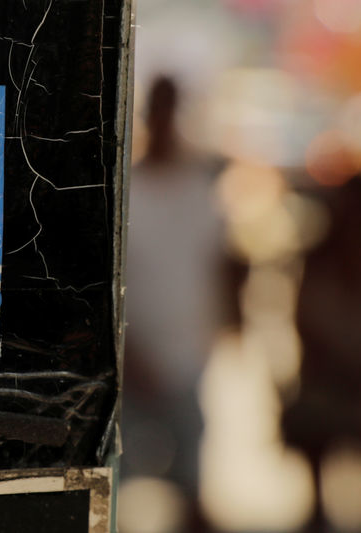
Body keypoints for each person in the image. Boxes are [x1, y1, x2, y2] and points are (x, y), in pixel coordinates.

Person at [122, 77, 226, 532]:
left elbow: (218, 270)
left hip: (188, 360)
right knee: (120, 481)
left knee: (191, 479)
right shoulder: (128, 191)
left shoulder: (201, 189)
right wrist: (130, 353)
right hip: (132, 365)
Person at [282, 175, 361, 532]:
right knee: (316, 422)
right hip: (325, 383)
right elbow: (305, 328)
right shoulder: (316, 264)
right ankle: (317, 511)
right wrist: (339, 370)